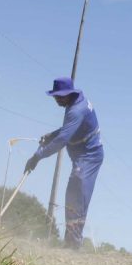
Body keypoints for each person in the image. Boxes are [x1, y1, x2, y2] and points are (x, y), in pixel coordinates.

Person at [25, 76, 104, 249]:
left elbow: (63, 139)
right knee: (72, 194)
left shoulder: (76, 109)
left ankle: (74, 245)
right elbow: (70, 129)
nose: (57, 100)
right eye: (55, 96)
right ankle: (71, 242)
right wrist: (52, 135)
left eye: (60, 96)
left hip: (89, 156)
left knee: (77, 195)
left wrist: (37, 156)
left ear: (69, 94)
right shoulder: (76, 103)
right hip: (81, 154)